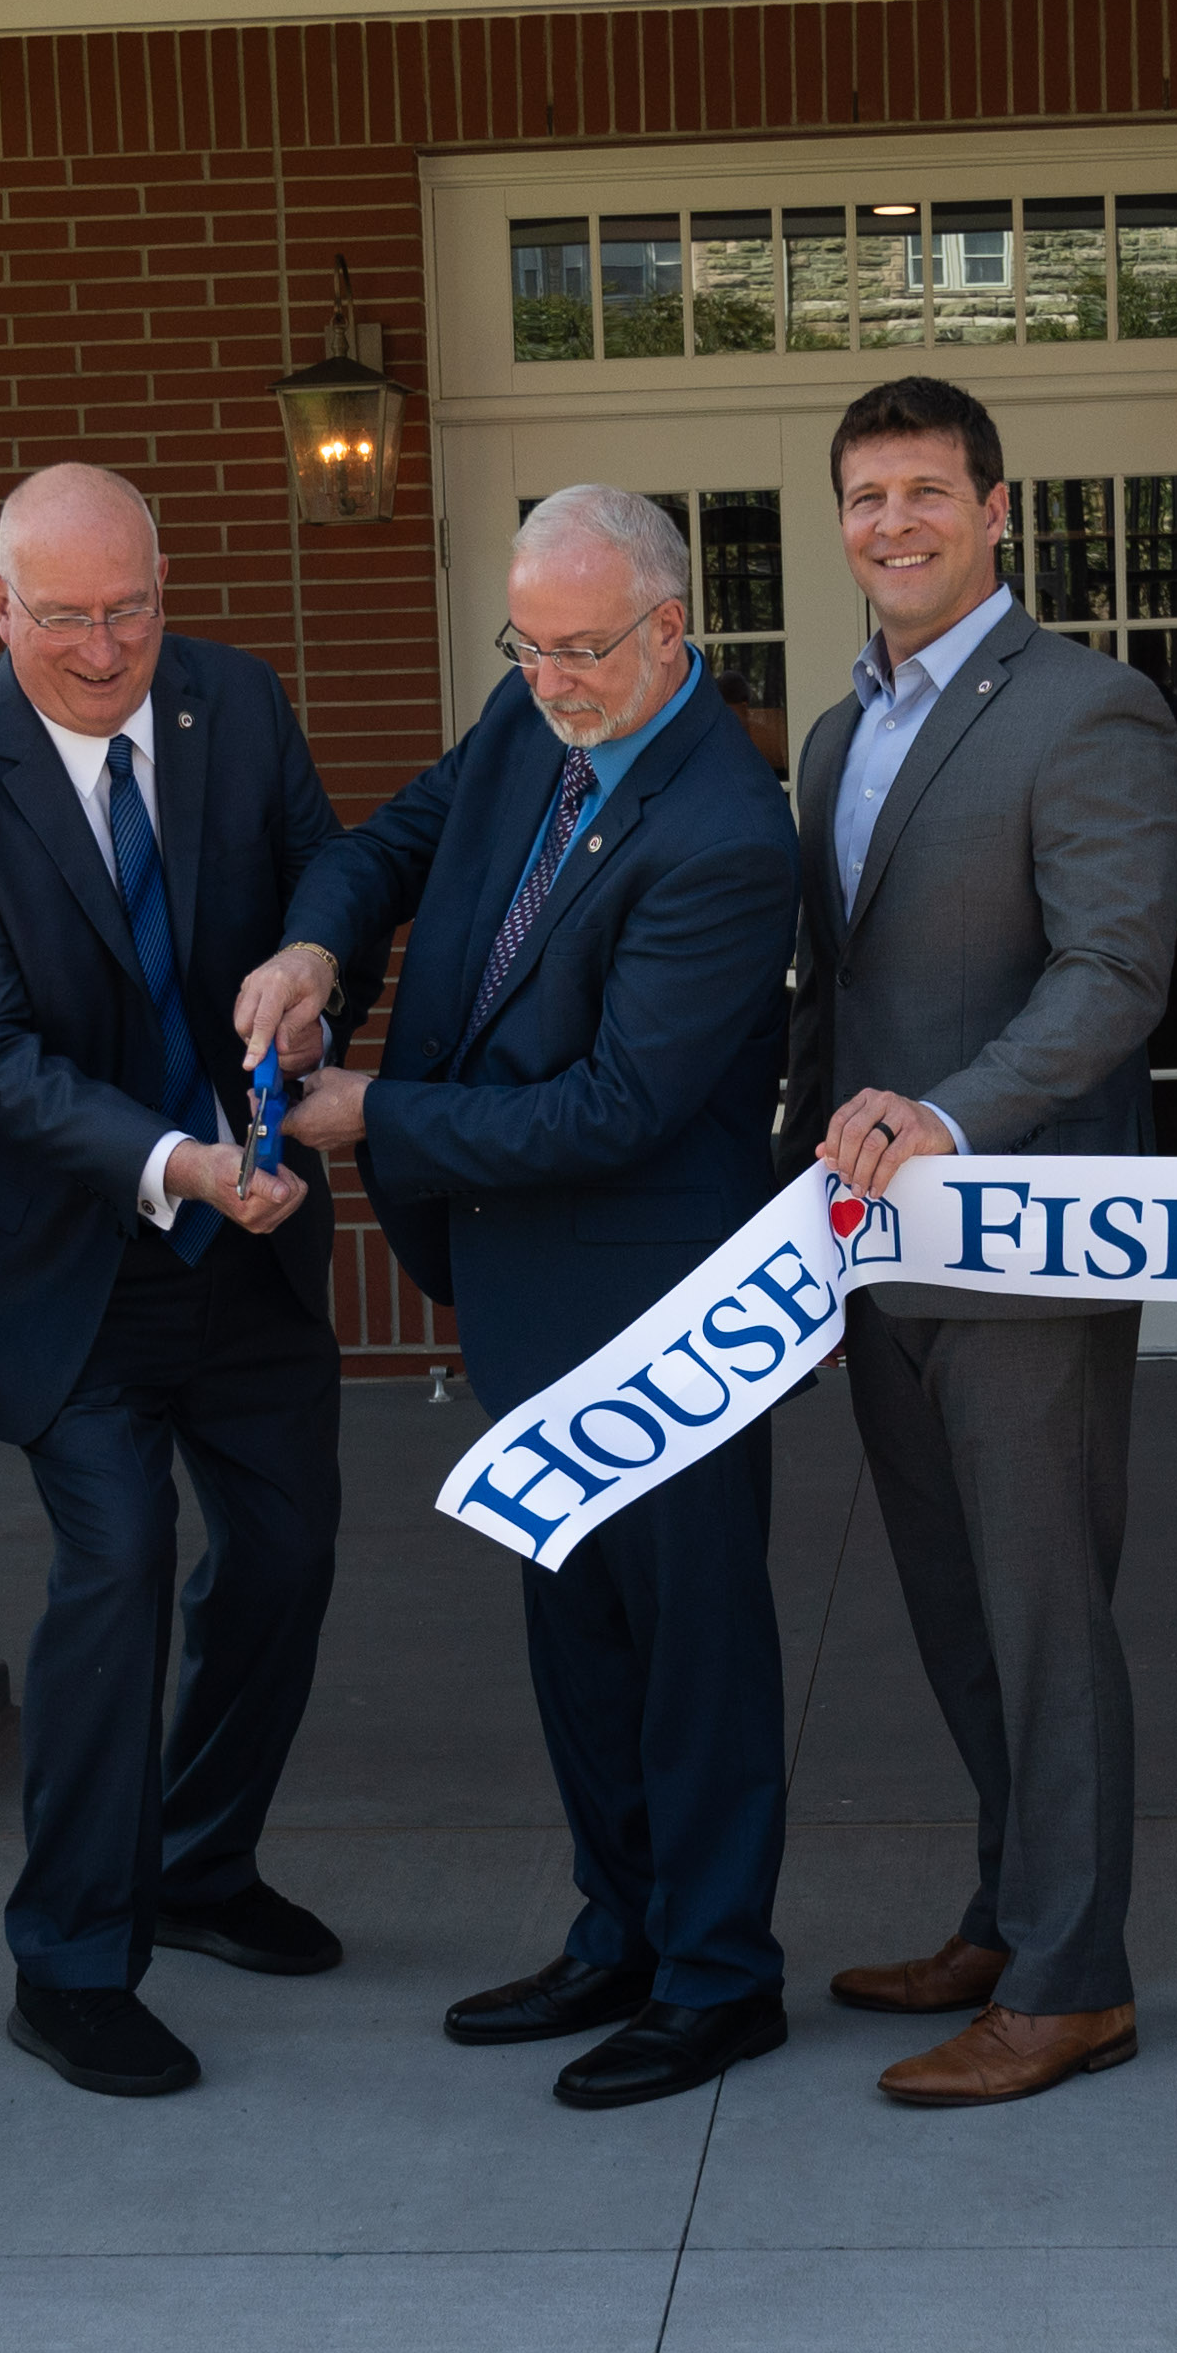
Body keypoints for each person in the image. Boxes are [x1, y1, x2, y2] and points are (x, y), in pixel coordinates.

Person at [238, 483, 802, 2109]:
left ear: (672, 630)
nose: (553, 680)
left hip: (657, 1289)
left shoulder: (723, 831)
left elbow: (618, 1109)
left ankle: (717, 1978)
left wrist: (373, 1121)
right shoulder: (530, 715)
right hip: (519, 1280)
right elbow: (398, 839)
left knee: (691, 1644)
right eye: (530, 645)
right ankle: (616, 1933)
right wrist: (313, 952)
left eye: (585, 652)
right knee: (579, 1628)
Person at [0, 466, 345, 2103]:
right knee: (121, 1561)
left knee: (283, 1553)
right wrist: (175, 1162)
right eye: (60, 615)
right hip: (65, 1251)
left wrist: (315, 986)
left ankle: (200, 1864)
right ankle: (69, 1961)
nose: (100, 647)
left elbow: (315, 883)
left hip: (252, 1230)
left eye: (128, 607)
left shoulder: (237, 701)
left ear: (164, 583)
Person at [792, 375, 1177, 2108]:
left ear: (997, 508)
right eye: (868, 496)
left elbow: (1114, 975)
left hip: (1022, 1239)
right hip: (872, 1248)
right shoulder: (834, 732)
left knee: (1042, 1615)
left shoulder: (1088, 710)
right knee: (952, 1606)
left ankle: (1074, 1981)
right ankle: (1009, 1909)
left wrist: (946, 1117)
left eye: (928, 492)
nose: (896, 524)